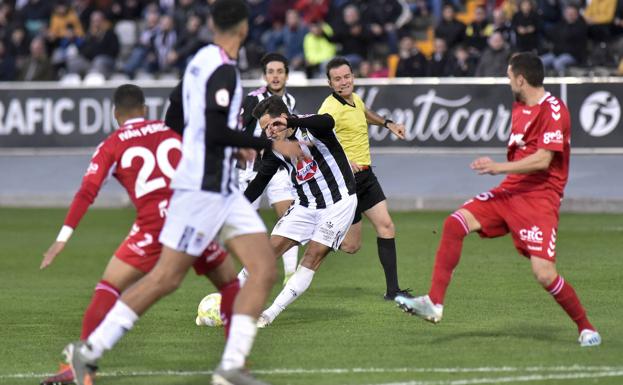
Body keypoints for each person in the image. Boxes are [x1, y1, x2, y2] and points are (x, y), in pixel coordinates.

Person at [61, 2, 306, 385]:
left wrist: (204, 148)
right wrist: (263, 142)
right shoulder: (223, 71)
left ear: (213, 25)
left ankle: (232, 367)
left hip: (218, 187)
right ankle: (89, 350)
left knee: (263, 268)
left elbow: (176, 113)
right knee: (165, 279)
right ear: (242, 30)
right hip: (204, 191)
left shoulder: (198, 62)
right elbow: (212, 129)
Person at [395, 53, 602, 348]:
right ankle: (434, 303)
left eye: (509, 77)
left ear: (520, 79)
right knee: (454, 223)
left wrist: (497, 167)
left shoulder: (554, 110)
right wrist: (504, 174)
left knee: (544, 274)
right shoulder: (519, 106)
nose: (508, 82)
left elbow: (544, 160)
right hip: (509, 192)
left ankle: (586, 327)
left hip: (539, 198)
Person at [39, 84, 235, 385]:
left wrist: (62, 237)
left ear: (115, 115)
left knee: (109, 287)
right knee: (229, 285)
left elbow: (87, 191)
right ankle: (236, 363)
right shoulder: (170, 133)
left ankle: (83, 368)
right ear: (145, 109)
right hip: (192, 219)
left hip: (154, 225)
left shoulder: (111, 144)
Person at [244, 95, 358, 327]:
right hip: (305, 206)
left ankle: (269, 314)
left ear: (284, 118)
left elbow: (328, 122)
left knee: (312, 255)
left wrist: (293, 121)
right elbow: (259, 182)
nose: (269, 132)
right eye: (265, 128)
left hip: (337, 205)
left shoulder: (312, 127)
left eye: (272, 125)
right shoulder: (275, 148)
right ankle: (228, 303)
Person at [318, 56, 411, 301]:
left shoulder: (355, 99)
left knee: (386, 226)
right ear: (330, 83)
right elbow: (315, 142)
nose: (343, 82)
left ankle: (393, 291)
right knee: (351, 246)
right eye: (337, 79)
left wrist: (388, 123)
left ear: (353, 77)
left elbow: (364, 113)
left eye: (346, 76)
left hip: (366, 177)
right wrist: (344, 161)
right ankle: (318, 236)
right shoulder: (329, 109)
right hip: (345, 182)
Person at [237, 52, 300, 286]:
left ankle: (291, 274)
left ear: (286, 75)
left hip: (277, 166)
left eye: (279, 71)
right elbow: (239, 131)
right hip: (250, 168)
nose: (275, 76)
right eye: (271, 72)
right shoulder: (253, 99)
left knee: (288, 216)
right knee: (247, 222)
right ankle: (252, 270)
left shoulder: (289, 102)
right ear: (264, 76)